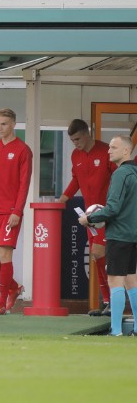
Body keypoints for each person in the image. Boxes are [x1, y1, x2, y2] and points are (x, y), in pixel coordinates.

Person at [78, 136, 137, 336]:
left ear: (126, 151)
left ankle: (116, 331)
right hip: (133, 236)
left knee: (115, 282)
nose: (109, 151)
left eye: (114, 147)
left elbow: (112, 209)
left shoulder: (120, 174)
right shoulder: (135, 173)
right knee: (132, 282)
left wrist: (90, 218)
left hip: (119, 235)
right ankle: (136, 328)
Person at [58, 119, 115, 316]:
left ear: (87, 133)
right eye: (72, 140)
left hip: (107, 215)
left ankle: (113, 301)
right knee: (96, 257)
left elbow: (119, 178)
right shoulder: (76, 155)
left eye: (78, 139)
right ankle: (107, 301)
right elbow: (76, 180)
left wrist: (114, 207)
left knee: (100, 254)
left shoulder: (107, 151)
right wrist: (63, 199)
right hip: (89, 216)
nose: (76, 143)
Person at [0, 108, 32, 315]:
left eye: (4, 124)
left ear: (13, 125)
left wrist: (17, 211)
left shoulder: (23, 150)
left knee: (5, 254)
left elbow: (24, 184)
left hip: (9, 212)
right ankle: (13, 288)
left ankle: (1, 302)